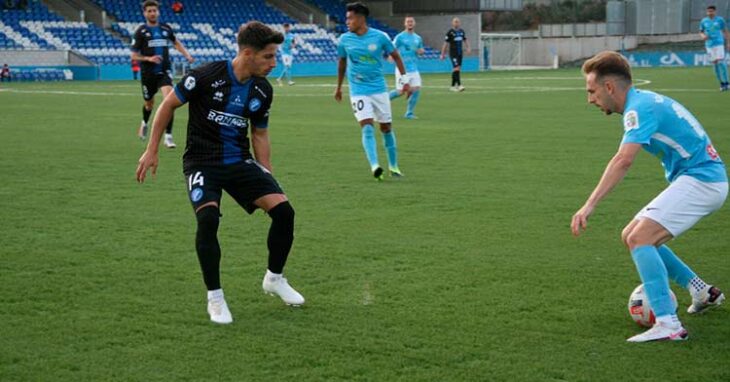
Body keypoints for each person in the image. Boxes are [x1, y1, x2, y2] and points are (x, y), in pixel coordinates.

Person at [136, 21, 304, 325]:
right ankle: (215, 297)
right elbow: (167, 106)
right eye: (268, 56)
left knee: (284, 212)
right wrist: (152, 149)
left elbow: (260, 134)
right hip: (201, 162)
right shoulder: (205, 75)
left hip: (239, 161)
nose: (273, 63)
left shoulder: (262, 90)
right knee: (208, 219)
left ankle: (275, 278)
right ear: (249, 53)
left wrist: (266, 173)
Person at [571, 51, 727, 342]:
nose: (590, 99)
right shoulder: (644, 101)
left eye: (591, 91)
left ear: (609, 88)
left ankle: (668, 323)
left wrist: (589, 205)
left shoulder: (637, 109)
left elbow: (623, 160)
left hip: (703, 180)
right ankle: (701, 291)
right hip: (702, 178)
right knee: (631, 234)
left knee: (640, 238)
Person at [335, 2, 409, 180]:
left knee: (386, 127)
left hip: (379, 89)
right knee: (367, 126)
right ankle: (375, 166)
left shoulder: (380, 37)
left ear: (361, 19)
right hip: (358, 90)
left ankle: (394, 166)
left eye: (350, 18)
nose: (347, 22)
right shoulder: (344, 40)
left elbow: (396, 56)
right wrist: (338, 87)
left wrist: (404, 81)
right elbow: (342, 63)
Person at [130, 0, 194, 147]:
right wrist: (148, 58)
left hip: (164, 72)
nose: (152, 13)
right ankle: (145, 122)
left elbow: (176, 42)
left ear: (158, 12)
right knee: (149, 104)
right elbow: (133, 56)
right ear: (145, 13)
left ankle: (168, 136)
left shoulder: (166, 28)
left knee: (169, 101)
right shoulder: (141, 32)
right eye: (149, 11)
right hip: (148, 73)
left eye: (154, 10)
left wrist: (187, 55)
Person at [389, 16, 424, 119]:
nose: (410, 23)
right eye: (408, 21)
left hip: (414, 68)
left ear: (414, 23)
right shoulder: (400, 37)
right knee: (400, 92)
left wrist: (421, 51)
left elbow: (421, 49)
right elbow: (392, 48)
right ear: (405, 24)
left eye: (411, 21)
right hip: (402, 69)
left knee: (416, 89)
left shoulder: (418, 38)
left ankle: (409, 113)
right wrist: (391, 57)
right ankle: (384, 100)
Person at [699, 5, 730, 91]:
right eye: (708, 11)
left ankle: (727, 82)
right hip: (709, 45)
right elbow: (701, 31)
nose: (710, 13)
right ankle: (722, 83)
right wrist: (703, 36)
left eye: (711, 11)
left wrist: (728, 43)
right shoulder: (704, 21)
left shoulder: (720, 20)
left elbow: (725, 31)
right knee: (715, 64)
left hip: (719, 43)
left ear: (715, 12)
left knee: (721, 62)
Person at [440, 17, 470, 92]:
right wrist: (442, 54)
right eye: (455, 22)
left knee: (457, 69)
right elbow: (445, 44)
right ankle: (459, 85)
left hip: (460, 53)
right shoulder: (450, 32)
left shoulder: (462, 31)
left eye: (457, 22)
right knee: (456, 68)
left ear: (459, 23)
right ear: (452, 23)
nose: (456, 23)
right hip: (453, 53)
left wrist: (468, 48)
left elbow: (465, 40)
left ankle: (452, 86)